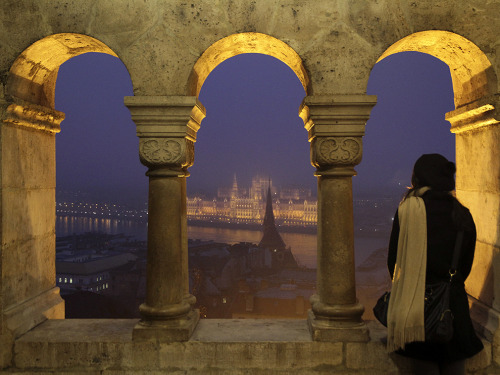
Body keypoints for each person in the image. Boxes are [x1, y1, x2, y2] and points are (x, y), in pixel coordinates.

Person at [386, 154, 483, 375]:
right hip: (454, 308)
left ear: (418, 179)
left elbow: (394, 263)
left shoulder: (408, 211)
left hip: (418, 308)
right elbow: (466, 266)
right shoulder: (463, 215)